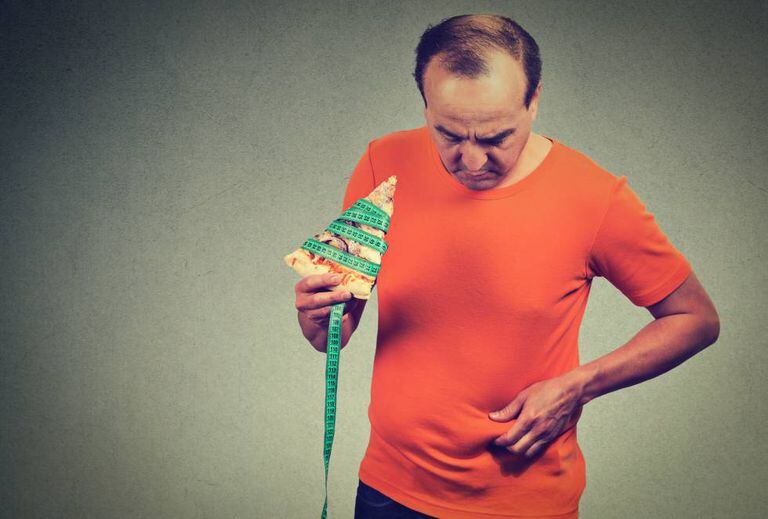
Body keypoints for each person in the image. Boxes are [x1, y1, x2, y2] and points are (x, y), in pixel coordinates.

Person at [293, 13, 720, 519]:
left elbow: (695, 319)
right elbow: (335, 332)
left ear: (534, 100)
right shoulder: (382, 163)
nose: (472, 162)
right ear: (425, 104)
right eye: (449, 134)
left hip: (522, 503)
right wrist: (318, 316)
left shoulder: (595, 198)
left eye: (496, 138)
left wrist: (580, 385)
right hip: (389, 491)